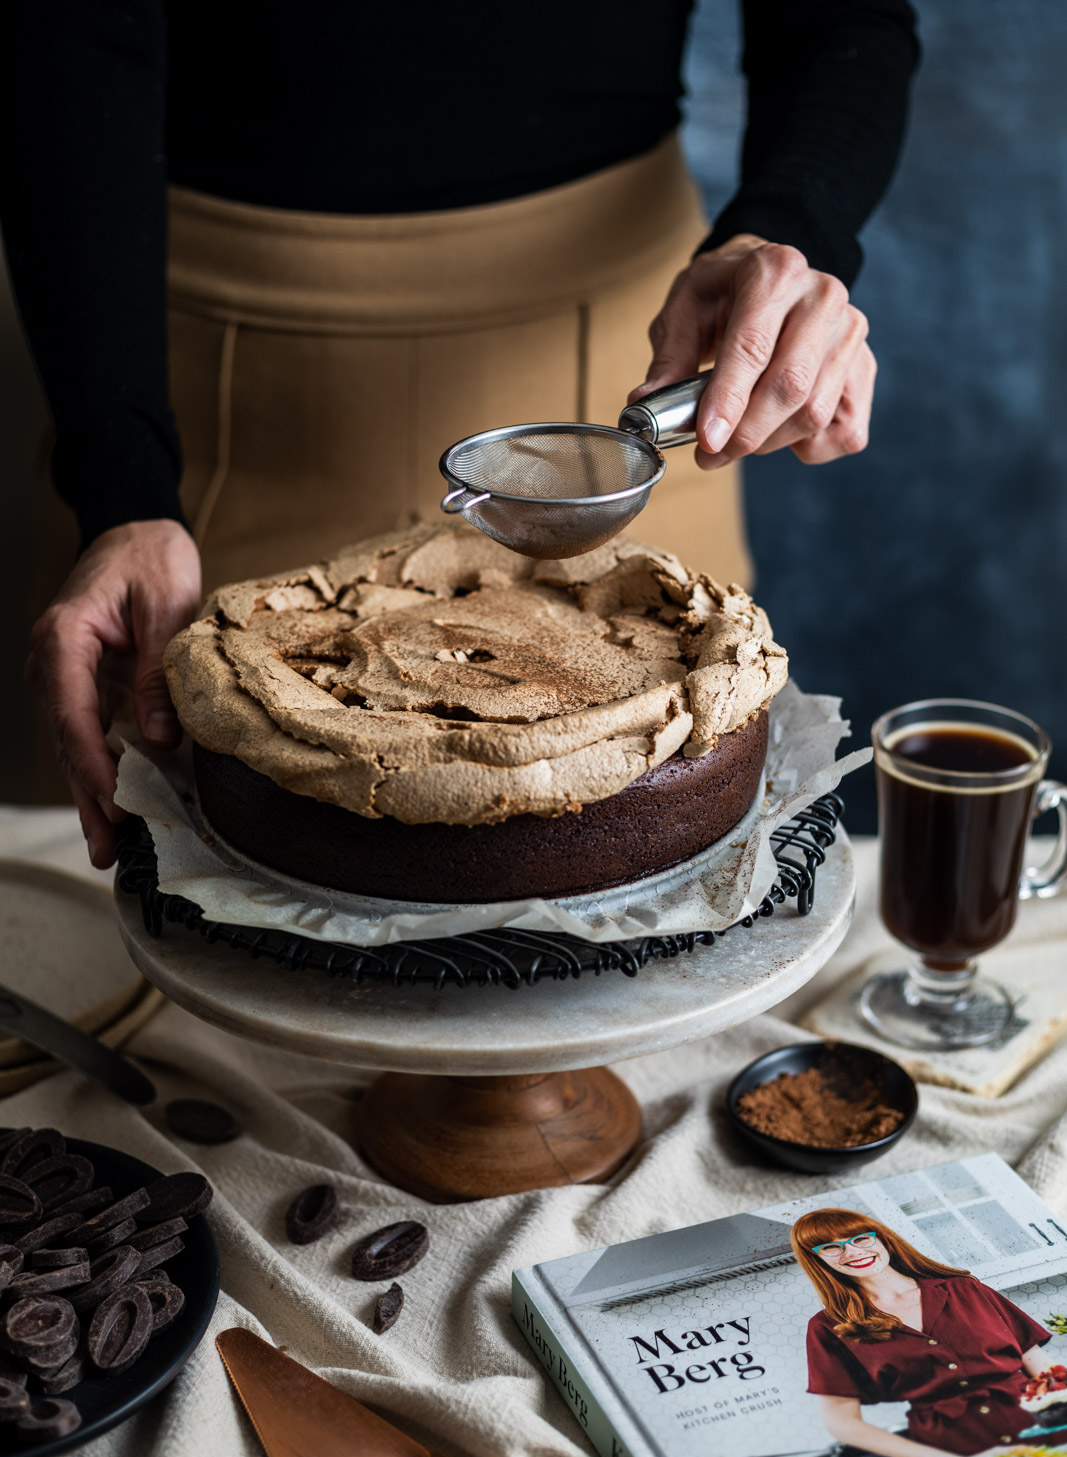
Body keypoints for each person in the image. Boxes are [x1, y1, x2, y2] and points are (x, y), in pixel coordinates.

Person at [2, 2, 920, 868]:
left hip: (637, 342)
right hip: (196, 393)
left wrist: (789, 233)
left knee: (647, 888)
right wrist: (120, 482)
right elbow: (68, 37)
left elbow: (841, 19)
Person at [792, 1208, 1063, 1457]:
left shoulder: (964, 1289)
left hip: (1043, 1424)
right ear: (816, 1259)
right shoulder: (829, 1328)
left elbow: (1041, 1368)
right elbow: (843, 1425)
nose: (851, 1252)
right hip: (960, 1451)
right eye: (830, 1247)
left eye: (860, 1239)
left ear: (882, 1238)